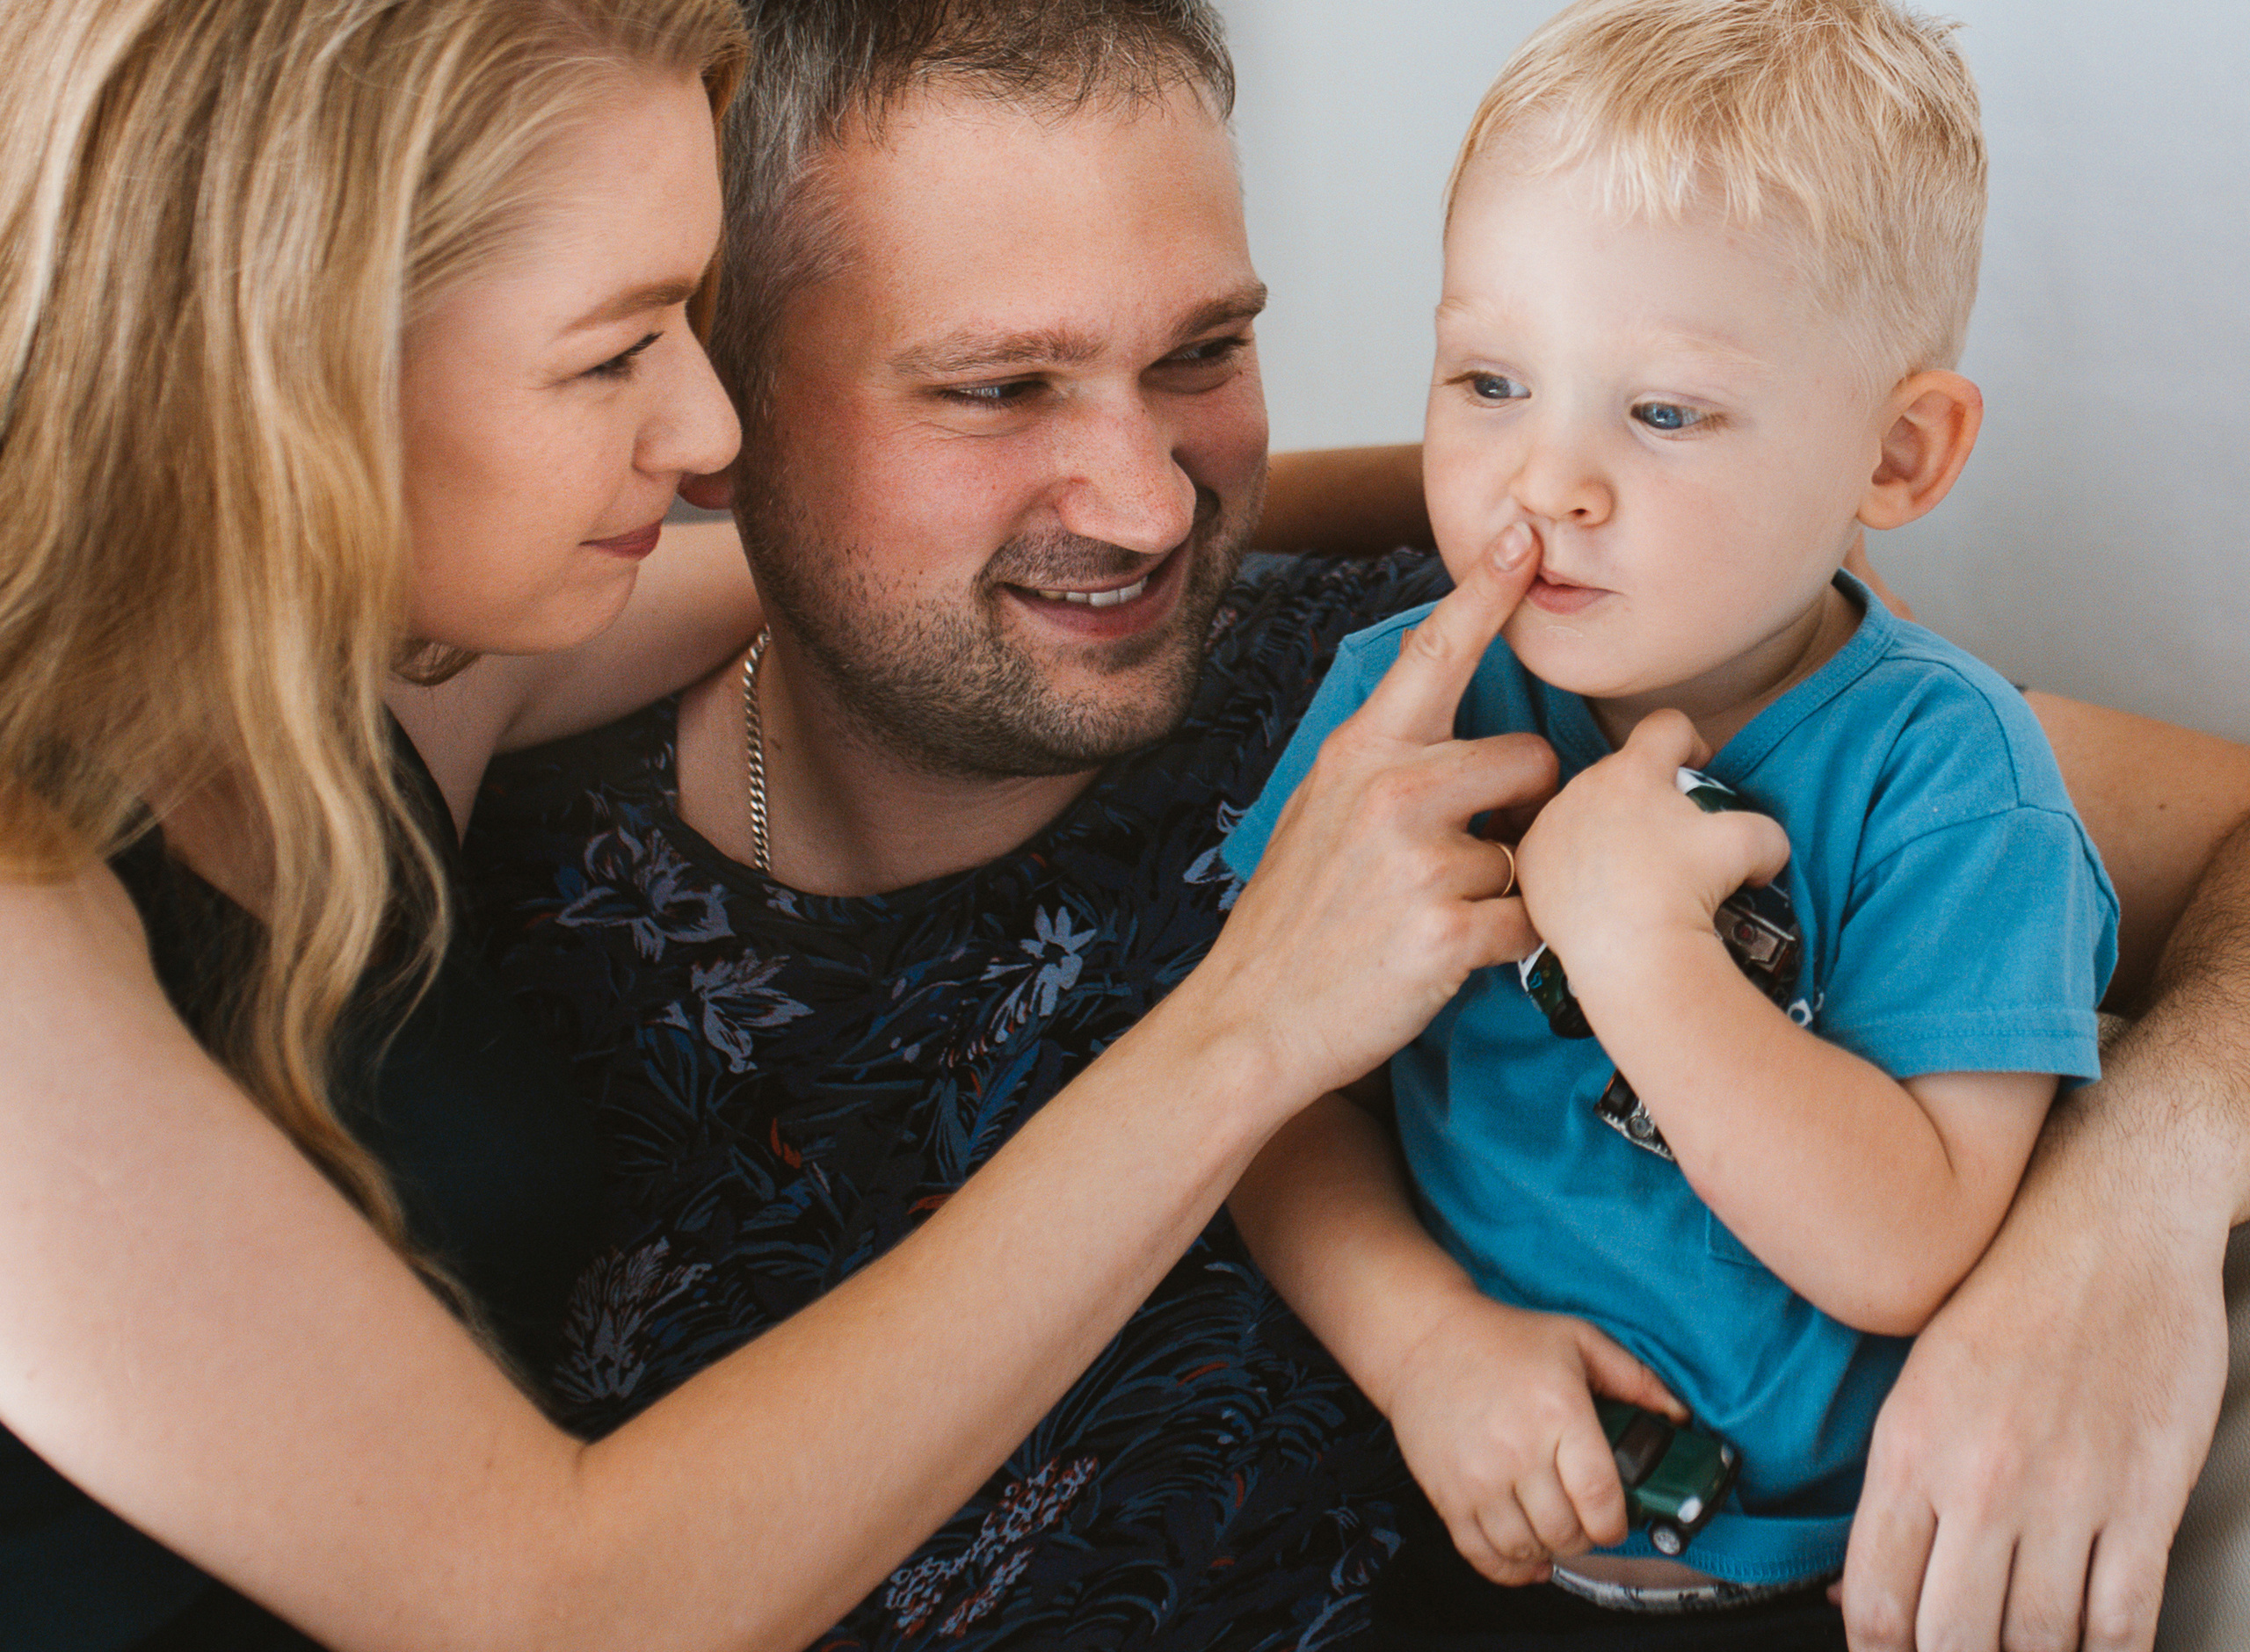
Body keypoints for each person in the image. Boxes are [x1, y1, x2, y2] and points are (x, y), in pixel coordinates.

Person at [464, 0, 2250, 1648]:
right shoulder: (511, 862)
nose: (1151, 505)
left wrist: (2127, 1216)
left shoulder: (1486, 655)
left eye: (1201, 354)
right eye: (995, 386)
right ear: (723, 394)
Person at [0, 2, 1554, 1647]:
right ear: (278, 365)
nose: (705, 430)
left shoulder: (331, 665)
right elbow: (559, 1609)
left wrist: (1534, 477)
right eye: (615, 350)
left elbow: (880, 550)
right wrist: (1253, 1021)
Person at [1223, 0, 2115, 1641]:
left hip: (1848, 1580)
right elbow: (1257, 1092)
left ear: (1900, 452)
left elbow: (1905, 1240)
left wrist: (1637, 945)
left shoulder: (1952, 774)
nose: (1544, 480)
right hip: (1455, 1520)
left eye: (1664, 413)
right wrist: (1420, 1343)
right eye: (1489, 380)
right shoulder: (1406, 707)